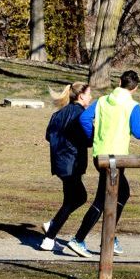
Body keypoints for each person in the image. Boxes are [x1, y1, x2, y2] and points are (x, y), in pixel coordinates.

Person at [66, 70, 140, 258]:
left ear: (120, 81)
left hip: (101, 155)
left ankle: (109, 236)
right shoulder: (132, 105)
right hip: (116, 159)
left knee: (122, 193)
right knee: (102, 199)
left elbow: (83, 118)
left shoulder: (102, 100)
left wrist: (93, 136)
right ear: (135, 88)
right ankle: (79, 239)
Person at [40, 82, 93, 251]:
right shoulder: (80, 115)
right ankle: (49, 237)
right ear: (81, 96)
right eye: (89, 94)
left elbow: (49, 135)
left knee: (70, 199)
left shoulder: (59, 114)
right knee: (79, 198)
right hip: (72, 164)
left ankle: (52, 226)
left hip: (60, 163)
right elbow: (87, 140)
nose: (91, 97)